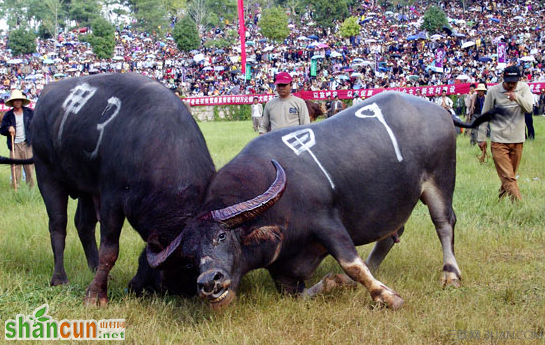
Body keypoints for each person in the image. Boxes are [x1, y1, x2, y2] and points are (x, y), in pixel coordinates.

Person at [477, 66, 534, 201]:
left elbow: (529, 109)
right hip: (498, 140)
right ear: (504, 78)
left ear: (518, 80)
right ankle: (520, 206)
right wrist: (481, 137)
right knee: (508, 176)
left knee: (510, 175)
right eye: (508, 82)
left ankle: (500, 200)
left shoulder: (524, 88)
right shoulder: (493, 91)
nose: (510, 85)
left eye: (513, 83)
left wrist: (516, 97)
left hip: (518, 139)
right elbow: (485, 115)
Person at [0, 89, 34, 188]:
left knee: (29, 169)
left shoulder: (29, 113)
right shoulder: (8, 115)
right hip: (14, 145)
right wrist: (8, 129)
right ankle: (16, 189)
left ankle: (30, 190)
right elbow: (2, 130)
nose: (18, 102)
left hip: (27, 144)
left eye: (19, 100)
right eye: (15, 100)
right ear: (12, 102)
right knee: (15, 169)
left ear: (22, 101)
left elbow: (35, 126)